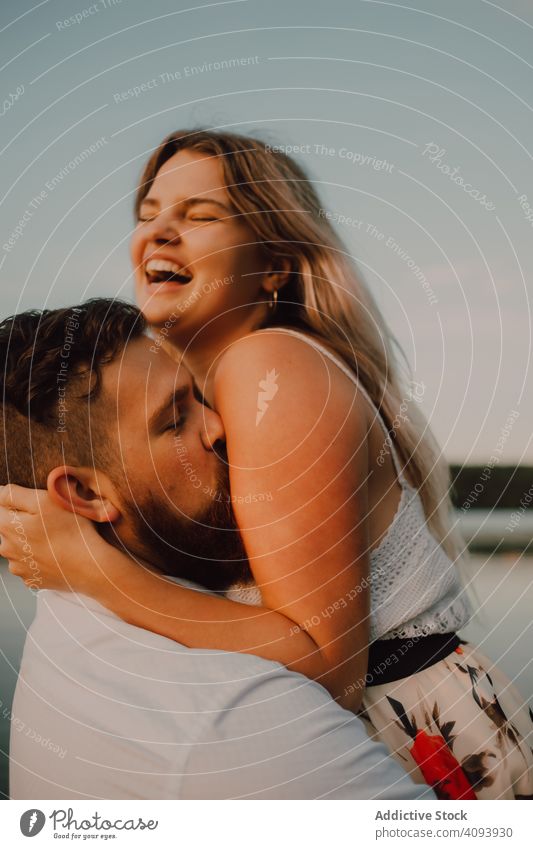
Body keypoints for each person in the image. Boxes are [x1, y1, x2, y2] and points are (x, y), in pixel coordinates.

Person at [1, 129, 532, 799]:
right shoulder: (220, 382)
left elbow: (325, 662)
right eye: (148, 214)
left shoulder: (268, 367)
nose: (159, 232)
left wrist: (95, 569)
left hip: (417, 736)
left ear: (273, 264)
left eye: (200, 216)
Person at [1, 299, 430, 800]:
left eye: (200, 397)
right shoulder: (223, 718)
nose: (222, 426)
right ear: (87, 494)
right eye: (175, 421)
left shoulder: (72, 634)